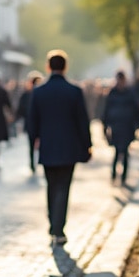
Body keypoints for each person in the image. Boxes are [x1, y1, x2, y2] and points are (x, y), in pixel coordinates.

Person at [28, 50, 92, 245]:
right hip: (68, 147)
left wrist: (34, 143)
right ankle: (58, 228)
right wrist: (87, 145)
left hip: (47, 146)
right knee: (64, 187)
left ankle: (53, 224)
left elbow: (32, 122)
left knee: (51, 186)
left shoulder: (39, 92)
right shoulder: (74, 91)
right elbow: (83, 121)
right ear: (65, 67)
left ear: (48, 67)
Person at [100, 70, 139, 186]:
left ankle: (123, 176)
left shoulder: (130, 93)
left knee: (125, 152)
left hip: (127, 126)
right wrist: (105, 126)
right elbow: (106, 111)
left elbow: (136, 110)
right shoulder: (112, 93)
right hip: (116, 127)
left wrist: (138, 125)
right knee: (117, 151)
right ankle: (114, 173)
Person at [16, 71, 43, 174]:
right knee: (38, 144)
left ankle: (33, 163)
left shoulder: (27, 94)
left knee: (32, 144)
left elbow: (20, 109)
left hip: (32, 123)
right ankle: (35, 162)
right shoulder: (35, 94)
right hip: (39, 124)